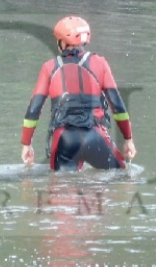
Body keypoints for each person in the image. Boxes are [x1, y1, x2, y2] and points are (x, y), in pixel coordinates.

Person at [21, 16, 136, 170]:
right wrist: (128, 139)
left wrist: (27, 143)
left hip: (64, 139)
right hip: (96, 136)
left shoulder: (49, 68)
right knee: (122, 177)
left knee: (61, 188)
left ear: (62, 42)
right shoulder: (100, 63)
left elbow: (34, 110)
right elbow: (118, 107)